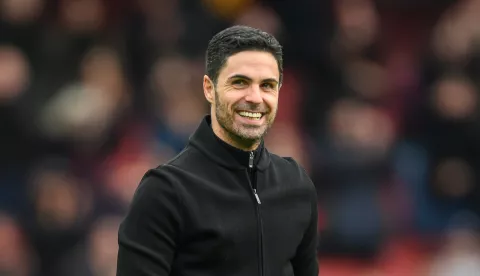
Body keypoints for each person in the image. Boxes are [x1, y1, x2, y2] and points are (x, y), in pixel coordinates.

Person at [116, 25, 319, 276]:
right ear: (209, 89)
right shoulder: (165, 191)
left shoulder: (297, 185)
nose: (255, 97)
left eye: (267, 85)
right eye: (240, 82)